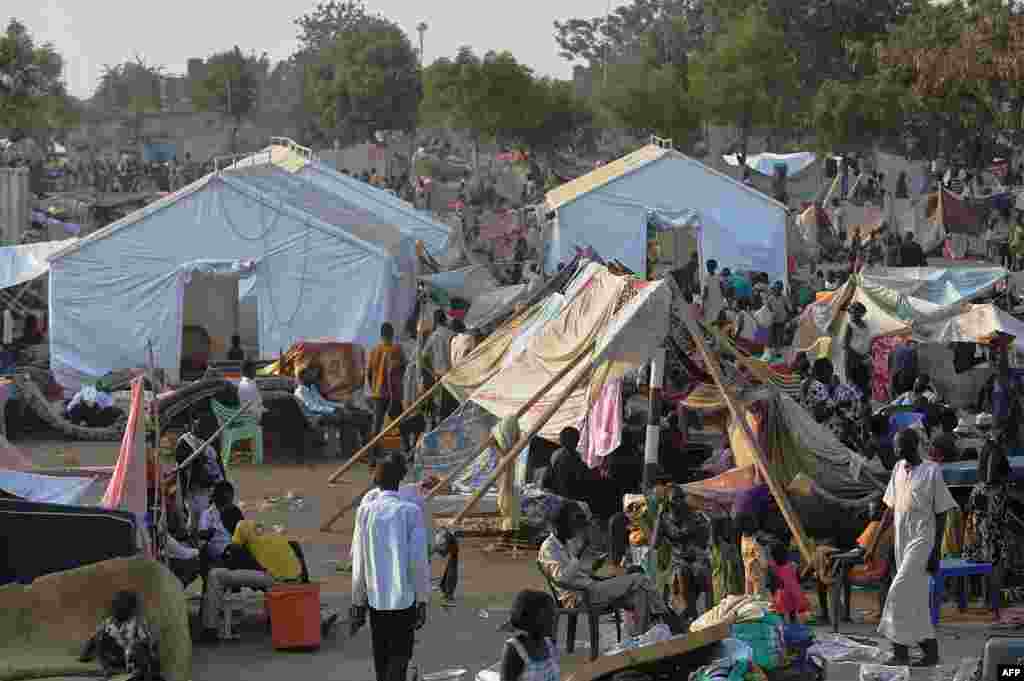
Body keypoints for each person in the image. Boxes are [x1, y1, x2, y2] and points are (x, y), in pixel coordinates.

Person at [878, 428, 958, 667]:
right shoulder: (897, 469)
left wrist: (936, 552)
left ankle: (898, 650)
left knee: (898, 590)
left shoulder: (931, 471)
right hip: (902, 541)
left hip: (923, 541)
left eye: (899, 446)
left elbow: (942, 512)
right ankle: (929, 651)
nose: (896, 450)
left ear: (913, 446)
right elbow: (890, 508)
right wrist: (873, 543)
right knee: (915, 600)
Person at [538, 502, 672, 636]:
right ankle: (666, 615)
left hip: (591, 589)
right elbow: (562, 578)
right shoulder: (549, 548)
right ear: (559, 526)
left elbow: (577, 575)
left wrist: (595, 568)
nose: (575, 529)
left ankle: (639, 636)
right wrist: (579, 553)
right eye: (572, 525)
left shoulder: (565, 543)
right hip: (580, 597)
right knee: (639, 579)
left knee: (641, 595)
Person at [350, 456, 430, 681]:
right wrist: (423, 599)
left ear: (375, 479)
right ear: (402, 479)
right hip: (404, 601)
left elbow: (359, 561)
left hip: (377, 600)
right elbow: (418, 561)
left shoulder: (365, 511)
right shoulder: (411, 511)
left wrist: (357, 601)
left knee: (382, 658)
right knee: (400, 658)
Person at [200, 520, 303, 643]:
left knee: (215, 575)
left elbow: (233, 551)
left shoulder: (241, 526)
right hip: (296, 578)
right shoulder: (268, 528)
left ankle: (210, 630)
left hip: (274, 579)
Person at [962, 431, 1012, 618]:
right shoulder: (995, 450)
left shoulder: (986, 448)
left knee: (986, 557)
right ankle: (994, 602)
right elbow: (991, 476)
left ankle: (987, 600)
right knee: (996, 559)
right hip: (991, 509)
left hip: (981, 510)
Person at [79, 591, 159, 679]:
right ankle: (108, 669)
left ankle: (138, 671)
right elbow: (94, 639)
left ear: (129, 608)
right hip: (116, 657)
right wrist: (85, 654)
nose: (117, 608)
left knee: (137, 647)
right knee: (100, 636)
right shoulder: (108, 622)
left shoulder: (137, 622)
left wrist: (133, 645)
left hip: (132, 657)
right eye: (116, 605)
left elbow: (147, 642)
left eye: (122, 605)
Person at [366, 323, 406, 462]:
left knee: (376, 425)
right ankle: (407, 449)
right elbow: (403, 369)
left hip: (378, 393)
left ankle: (372, 455)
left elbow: (369, 373)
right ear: (392, 334)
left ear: (381, 335)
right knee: (401, 422)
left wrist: (374, 388)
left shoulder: (374, 351)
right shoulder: (397, 349)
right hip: (393, 393)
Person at [499, 590, 559, 681]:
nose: (553, 620)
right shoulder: (514, 650)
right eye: (548, 615)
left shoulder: (549, 645)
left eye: (553, 615)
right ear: (531, 619)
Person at [294, 365, 349, 449]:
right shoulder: (300, 391)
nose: (314, 376)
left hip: (319, 413)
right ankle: (339, 448)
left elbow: (322, 402)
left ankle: (343, 447)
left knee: (345, 416)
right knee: (342, 418)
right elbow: (312, 407)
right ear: (303, 376)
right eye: (311, 374)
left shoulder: (312, 388)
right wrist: (333, 410)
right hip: (312, 417)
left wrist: (341, 406)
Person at [198, 481, 243, 566]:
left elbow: (242, 528)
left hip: (235, 546)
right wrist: (211, 531)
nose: (231, 499)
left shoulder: (234, 510)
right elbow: (202, 534)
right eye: (228, 497)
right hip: (221, 551)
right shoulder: (208, 514)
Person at [423, 310, 457, 422]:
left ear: (435, 321)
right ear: (444, 320)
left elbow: (423, 358)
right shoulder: (452, 335)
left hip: (439, 377)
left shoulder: (433, 337)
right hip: (453, 376)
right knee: (452, 409)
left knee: (440, 410)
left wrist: (432, 372)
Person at [767, 542, 808, 623]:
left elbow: (772, 584)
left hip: (780, 595)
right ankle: (794, 628)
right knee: (792, 614)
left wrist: (772, 595)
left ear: (772, 555)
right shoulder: (793, 565)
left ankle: (783, 631)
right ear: (786, 554)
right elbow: (799, 580)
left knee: (780, 616)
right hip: (794, 594)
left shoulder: (772, 568)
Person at [845, 301, 873, 399]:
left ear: (860, 313)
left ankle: (864, 407)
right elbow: (846, 346)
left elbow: (868, 339)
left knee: (865, 384)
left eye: (853, 312)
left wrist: (868, 354)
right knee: (857, 387)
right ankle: (859, 407)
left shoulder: (866, 324)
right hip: (854, 361)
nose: (851, 315)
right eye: (851, 312)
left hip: (865, 360)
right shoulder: (849, 326)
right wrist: (861, 356)